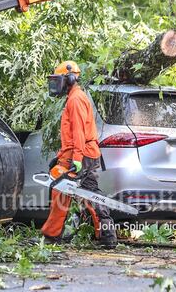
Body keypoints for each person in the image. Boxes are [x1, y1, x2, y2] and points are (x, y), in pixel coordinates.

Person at [41, 61, 117, 248]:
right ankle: (54, 235)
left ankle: (106, 235)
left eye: (59, 80)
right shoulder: (75, 97)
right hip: (79, 153)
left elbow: (78, 133)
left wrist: (76, 159)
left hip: (82, 155)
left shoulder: (75, 99)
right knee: (74, 191)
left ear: (70, 79)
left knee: (87, 193)